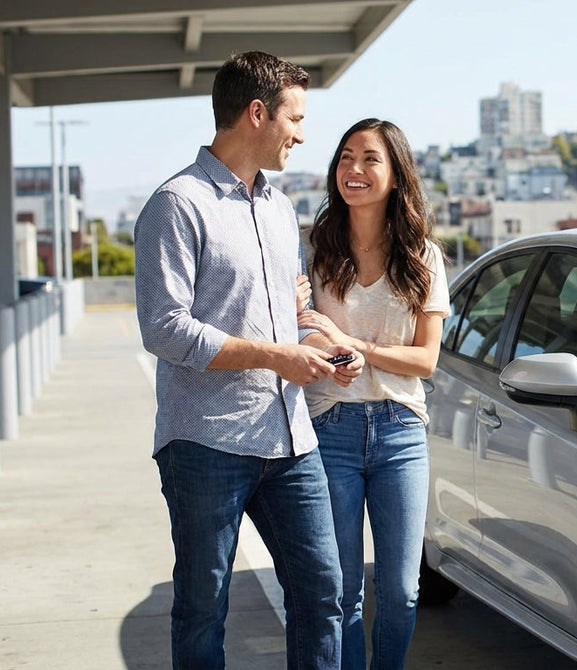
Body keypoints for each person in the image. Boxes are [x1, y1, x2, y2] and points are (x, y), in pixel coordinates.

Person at [134, 51, 362, 670]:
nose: (303, 133)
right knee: (203, 607)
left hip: (289, 439)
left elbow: (291, 311)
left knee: (324, 594)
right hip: (206, 443)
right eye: (294, 117)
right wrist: (274, 355)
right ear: (256, 113)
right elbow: (163, 327)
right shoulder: (175, 204)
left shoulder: (280, 207)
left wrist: (323, 348)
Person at [296, 118, 450, 670]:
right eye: (345, 157)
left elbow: (426, 360)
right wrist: (329, 348)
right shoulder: (312, 251)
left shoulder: (423, 257)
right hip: (329, 426)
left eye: (369, 159)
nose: (353, 170)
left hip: (400, 431)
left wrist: (358, 345)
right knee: (340, 593)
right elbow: (298, 324)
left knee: (402, 591)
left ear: (395, 174)